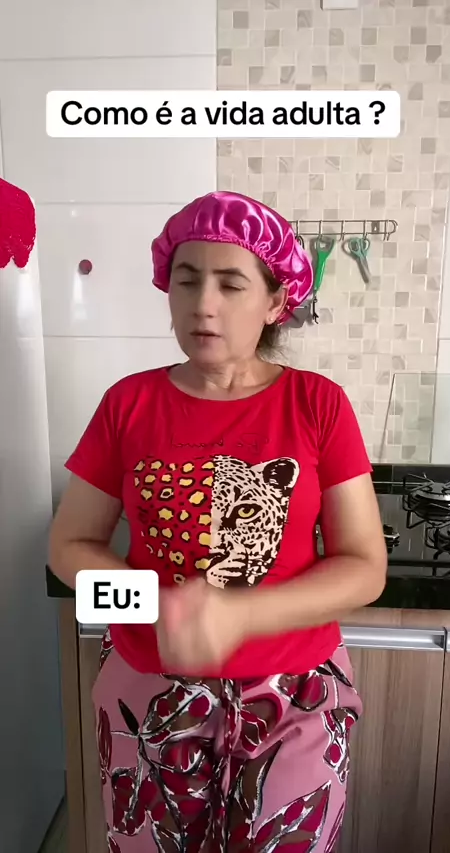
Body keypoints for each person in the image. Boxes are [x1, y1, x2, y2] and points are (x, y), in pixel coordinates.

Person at [49, 190, 387, 853]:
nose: (204, 303)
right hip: (147, 690)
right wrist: (154, 602)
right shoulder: (128, 403)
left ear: (275, 302)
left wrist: (239, 614)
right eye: (187, 280)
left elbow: (364, 567)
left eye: (231, 284)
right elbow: (68, 547)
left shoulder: (318, 404)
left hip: (295, 692)